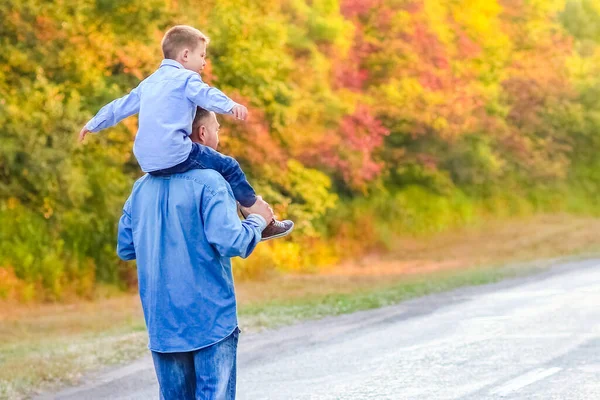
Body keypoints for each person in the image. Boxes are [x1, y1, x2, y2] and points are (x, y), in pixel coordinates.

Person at [81, 24, 293, 241]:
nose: (204, 62)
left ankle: (254, 214)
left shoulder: (149, 83)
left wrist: (94, 123)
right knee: (229, 166)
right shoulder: (186, 79)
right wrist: (230, 105)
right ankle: (261, 219)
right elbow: (207, 95)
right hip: (175, 153)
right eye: (201, 55)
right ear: (185, 55)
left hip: (148, 162)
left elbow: (120, 106)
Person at [117, 108, 273, 399]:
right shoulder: (212, 182)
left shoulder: (140, 189)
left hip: (163, 323)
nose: (218, 135)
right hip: (210, 319)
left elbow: (126, 247)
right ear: (203, 133)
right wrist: (258, 221)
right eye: (217, 128)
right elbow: (230, 242)